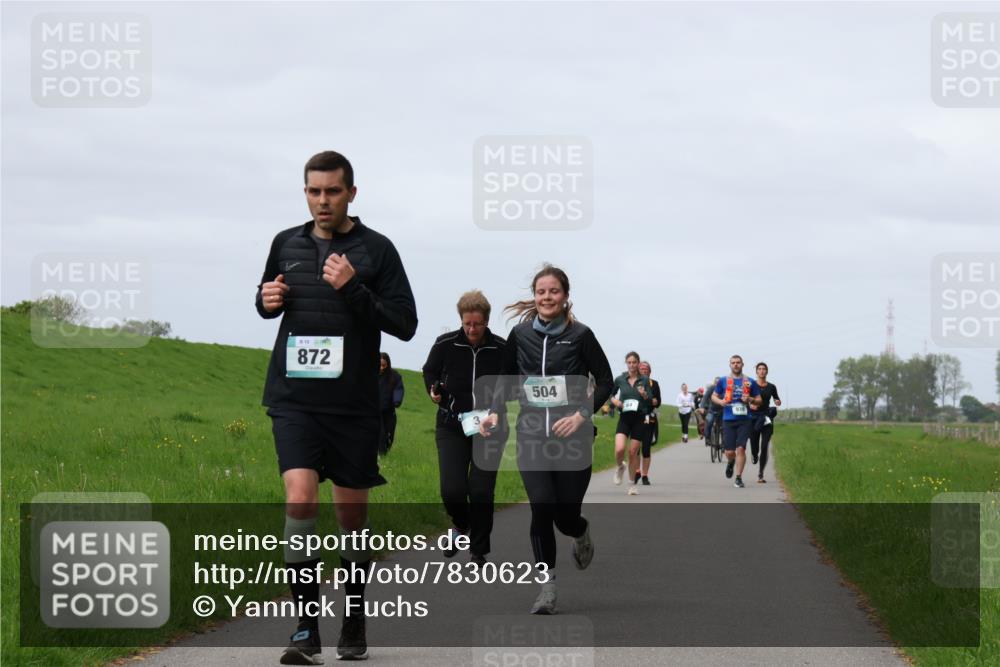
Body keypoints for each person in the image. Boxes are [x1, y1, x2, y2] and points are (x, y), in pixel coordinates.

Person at [256, 150, 418, 663]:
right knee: (300, 499)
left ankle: (353, 615)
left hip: (352, 405)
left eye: (331, 191)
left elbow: (405, 323)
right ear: (305, 193)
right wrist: (264, 301)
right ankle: (305, 628)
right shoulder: (286, 243)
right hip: (294, 398)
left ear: (351, 192)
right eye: (313, 191)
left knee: (352, 517)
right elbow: (265, 299)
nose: (322, 200)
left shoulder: (377, 250)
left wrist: (353, 288)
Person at [479, 265, 614, 615]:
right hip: (532, 434)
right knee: (541, 506)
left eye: (554, 291)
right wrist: (494, 411)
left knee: (565, 516)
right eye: (541, 292)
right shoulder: (520, 335)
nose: (547, 297)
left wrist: (582, 414)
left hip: (574, 438)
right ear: (535, 296)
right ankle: (547, 586)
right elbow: (505, 378)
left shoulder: (581, 335)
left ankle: (580, 532)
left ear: (565, 296)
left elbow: (605, 380)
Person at [421, 290, 507, 567]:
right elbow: (429, 371)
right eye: (467, 323)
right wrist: (433, 391)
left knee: (481, 491)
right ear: (461, 320)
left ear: (486, 321)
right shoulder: (445, 344)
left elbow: (510, 384)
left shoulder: (501, 348)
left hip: (490, 427)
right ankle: (461, 524)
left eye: (478, 324)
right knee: (452, 490)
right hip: (452, 424)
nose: (472, 329)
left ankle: (478, 551)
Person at [711, 356, 761, 488]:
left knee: (741, 449)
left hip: (745, 420)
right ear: (730, 365)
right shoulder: (723, 381)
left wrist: (750, 399)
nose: (736, 365)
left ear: (742, 364)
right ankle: (730, 462)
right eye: (733, 363)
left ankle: (738, 478)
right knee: (729, 452)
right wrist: (721, 401)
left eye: (738, 363)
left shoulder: (749, 381)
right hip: (728, 419)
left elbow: (759, 400)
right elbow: (713, 396)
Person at [610, 352, 651, 496]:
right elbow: (610, 394)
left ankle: (632, 484)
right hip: (625, 418)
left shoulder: (644, 380)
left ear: (638, 363)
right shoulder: (620, 379)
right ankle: (620, 466)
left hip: (639, 418)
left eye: (634, 362)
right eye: (629, 362)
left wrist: (644, 394)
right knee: (620, 449)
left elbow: (650, 399)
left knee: (632, 452)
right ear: (626, 363)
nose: (632, 365)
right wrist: (615, 401)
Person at [748, 362, 782, 483]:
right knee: (754, 445)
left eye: (764, 369)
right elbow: (745, 398)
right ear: (756, 372)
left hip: (766, 417)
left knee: (764, 446)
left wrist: (778, 401)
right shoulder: (751, 385)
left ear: (767, 372)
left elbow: (776, 398)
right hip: (753, 417)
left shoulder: (771, 386)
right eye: (759, 369)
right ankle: (754, 454)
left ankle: (760, 474)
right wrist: (750, 404)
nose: (762, 371)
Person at [638, 361, 661, 485]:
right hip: (634, 416)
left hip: (648, 417)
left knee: (646, 447)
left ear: (649, 371)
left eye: (646, 368)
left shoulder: (654, 384)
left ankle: (644, 475)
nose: (643, 370)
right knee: (635, 447)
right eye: (641, 368)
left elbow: (658, 401)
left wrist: (651, 400)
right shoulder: (633, 382)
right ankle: (636, 471)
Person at [378, 352, 404, 455]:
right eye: (379, 365)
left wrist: (397, 400)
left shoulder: (395, 376)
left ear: (388, 364)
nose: (381, 368)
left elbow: (399, 389)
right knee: (381, 434)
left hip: (389, 412)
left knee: (389, 435)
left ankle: (385, 452)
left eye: (384, 365)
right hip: (375, 411)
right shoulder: (370, 374)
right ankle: (381, 455)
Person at [699, 377, 723, 448]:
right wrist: (702, 407)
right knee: (709, 421)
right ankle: (708, 438)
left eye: (718, 383)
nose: (717, 384)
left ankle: (724, 444)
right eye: (716, 383)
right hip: (712, 410)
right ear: (714, 383)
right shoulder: (711, 388)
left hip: (722, 410)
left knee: (724, 426)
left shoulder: (724, 389)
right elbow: (705, 397)